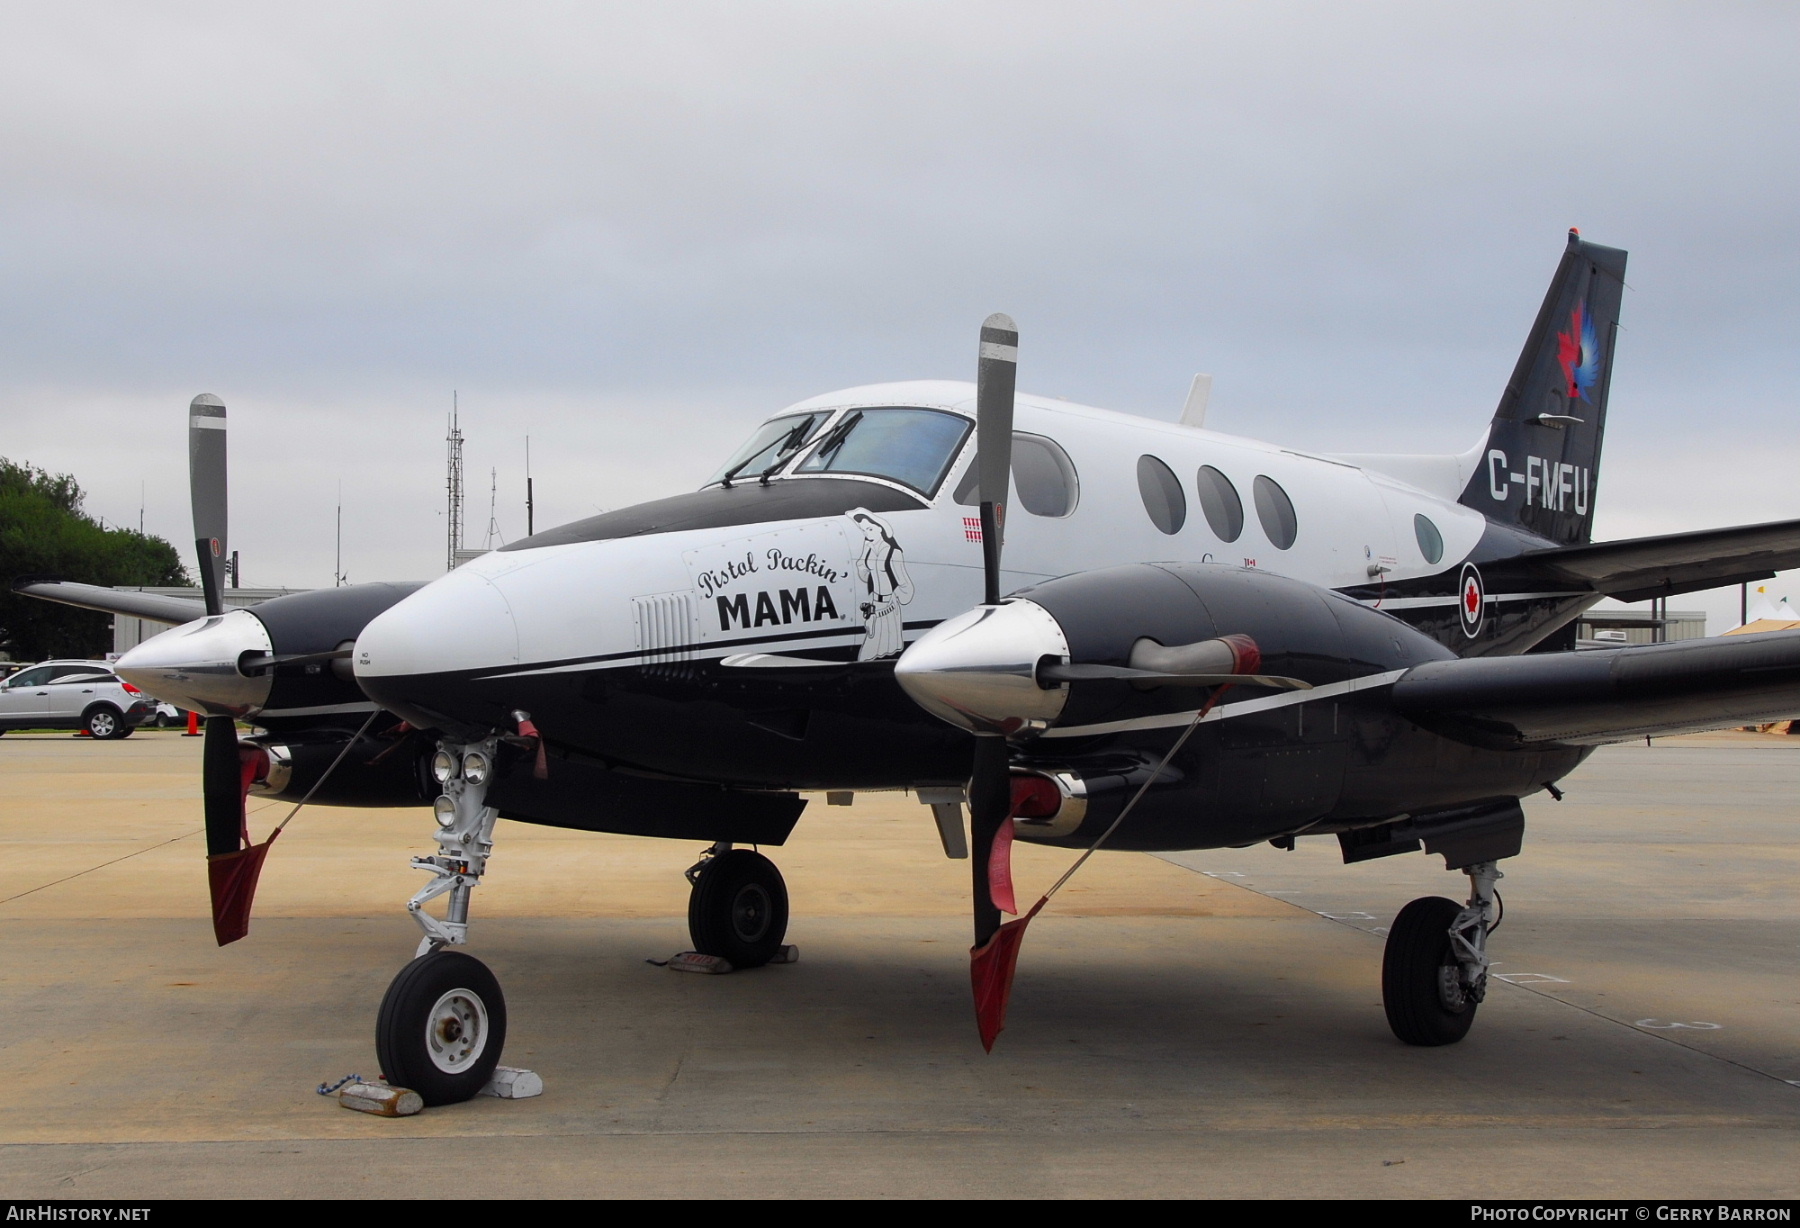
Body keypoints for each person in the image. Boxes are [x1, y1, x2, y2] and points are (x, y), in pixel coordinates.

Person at [850, 510, 914, 660]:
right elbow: (865, 576)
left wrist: (893, 596)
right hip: (874, 606)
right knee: (868, 654)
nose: (867, 533)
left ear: (880, 528)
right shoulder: (870, 551)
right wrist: (864, 555)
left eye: (870, 529)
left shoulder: (893, 552)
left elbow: (905, 585)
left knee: (875, 654)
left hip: (888, 608)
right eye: (864, 530)